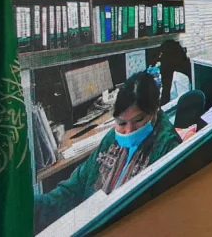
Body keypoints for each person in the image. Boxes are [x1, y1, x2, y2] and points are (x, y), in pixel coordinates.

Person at [34, 73, 182, 231]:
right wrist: (31, 206)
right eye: (122, 123)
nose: (129, 131)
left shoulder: (168, 148)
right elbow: (75, 188)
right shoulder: (112, 138)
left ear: (155, 111)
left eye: (138, 120)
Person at [158, 39, 192, 105]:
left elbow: (182, 99)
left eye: (162, 54)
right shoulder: (167, 71)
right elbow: (165, 89)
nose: (160, 57)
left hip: (172, 109)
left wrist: (163, 108)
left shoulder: (180, 75)